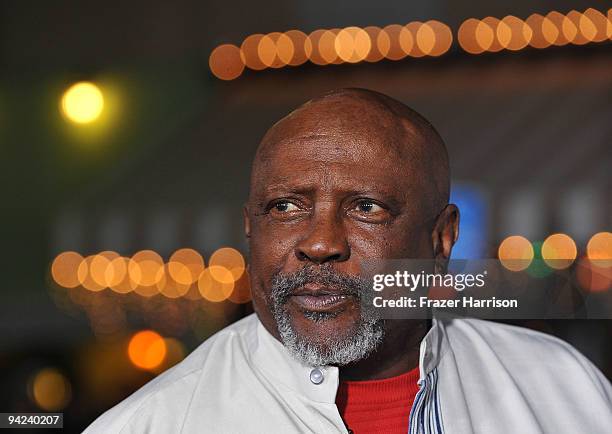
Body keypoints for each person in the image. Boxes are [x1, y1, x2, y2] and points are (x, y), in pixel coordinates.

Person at [84, 89, 612, 433]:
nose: (319, 243)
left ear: (442, 238)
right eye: (285, 207)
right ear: (250, 228)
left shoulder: (562, 387)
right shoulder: (152, 424)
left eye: (366, 208)